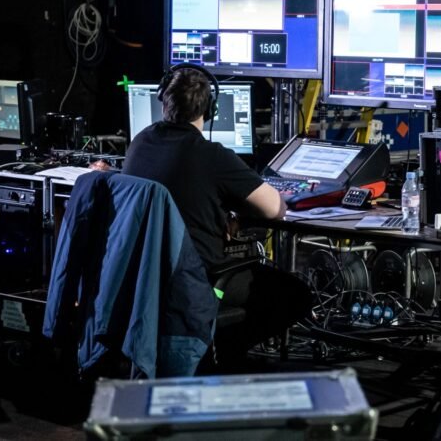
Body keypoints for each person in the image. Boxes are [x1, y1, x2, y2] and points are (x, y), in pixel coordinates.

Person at [124, 65, 312, 365]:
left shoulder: (140, 142)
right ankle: (222, 357)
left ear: (163, 101)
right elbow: (275, 210)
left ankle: (213, 354)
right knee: (296, 295)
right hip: (200, 280)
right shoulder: (212, 155)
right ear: (210, 109)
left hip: (146, 277)